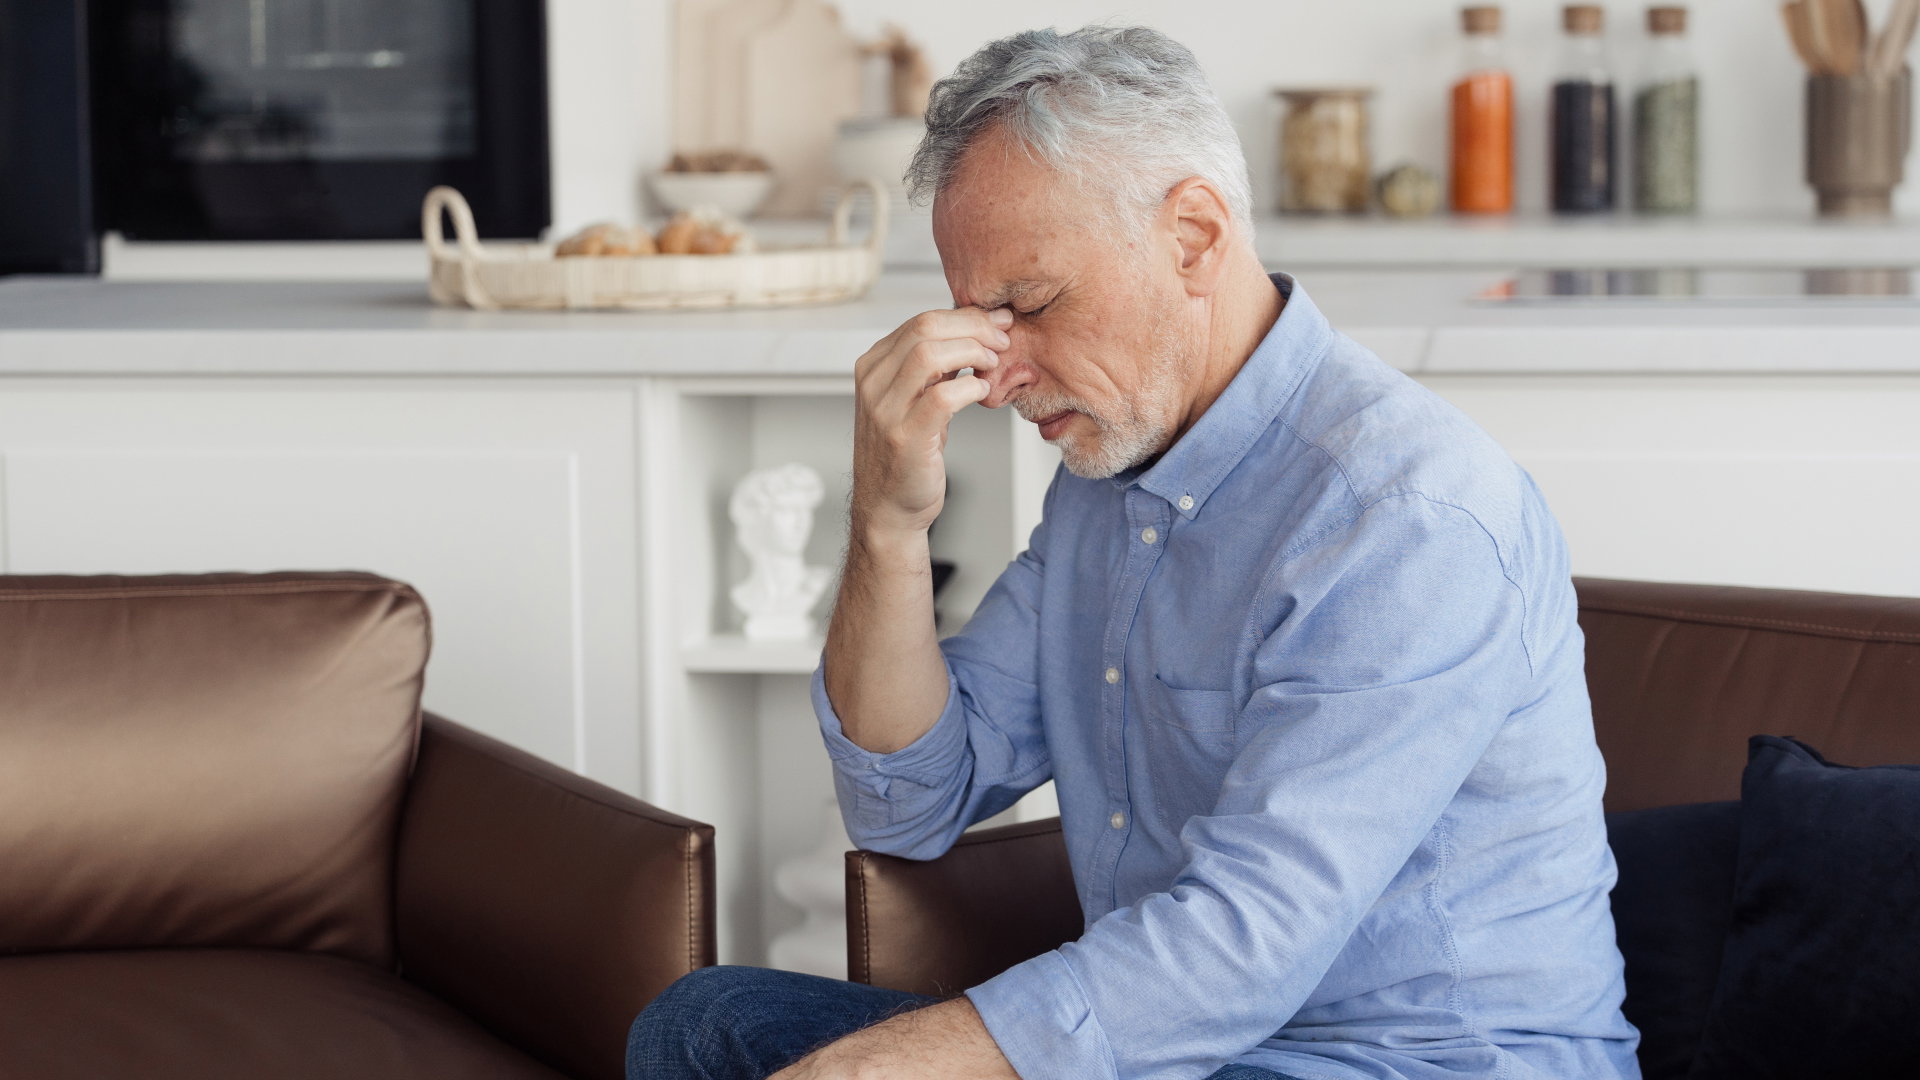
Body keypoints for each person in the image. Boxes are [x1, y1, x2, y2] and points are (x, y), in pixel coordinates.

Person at [628, 23, 1641, 1080]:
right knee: (705, 1026)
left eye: (1027, 306)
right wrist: (886, 524)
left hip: (1411, 1063)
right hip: (1183, 1055)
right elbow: (910, 803)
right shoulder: (1110, 485)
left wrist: (862, 1069)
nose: (1000, 373)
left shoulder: (1408, 512)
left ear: (1193, 237)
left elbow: (1240, 950)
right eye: (977, 318)